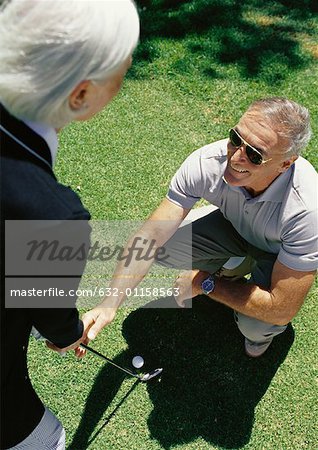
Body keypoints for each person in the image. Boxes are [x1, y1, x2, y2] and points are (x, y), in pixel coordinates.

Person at [0, 0, 139, 448]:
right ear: (79, 95)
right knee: (47, 439)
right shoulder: (53, 216)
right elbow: (50, 315)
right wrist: (65, 333)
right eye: (123, 68)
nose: (128, 71)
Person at [83, 97, 317, 359]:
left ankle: (253, 314)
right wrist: (109, 304)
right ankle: (236, 264)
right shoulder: (208, 161)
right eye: (236, 138)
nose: (236, 157)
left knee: (256, 326)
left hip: (277, 256)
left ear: (286, 164)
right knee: (164, 247)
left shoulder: (308, 210)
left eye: (254, 155)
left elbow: (282, 308)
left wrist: (205, 283)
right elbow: (150, 236)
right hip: (232, 227)